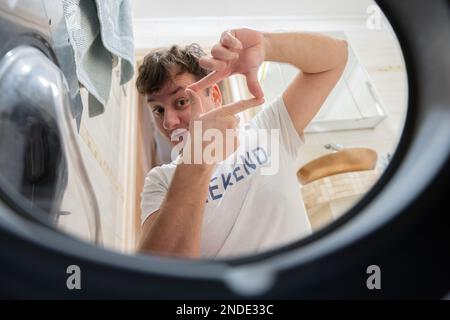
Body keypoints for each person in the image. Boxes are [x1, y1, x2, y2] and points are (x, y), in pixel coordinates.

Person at [136, 28, 348, 259]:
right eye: (158, 109)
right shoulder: (160, 182)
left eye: (181, 102)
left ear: (215, 96)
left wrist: (268, 45)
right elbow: (163, 276)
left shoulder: (268, 129)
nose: (168, 121)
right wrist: (196, 162)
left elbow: (335, 59)